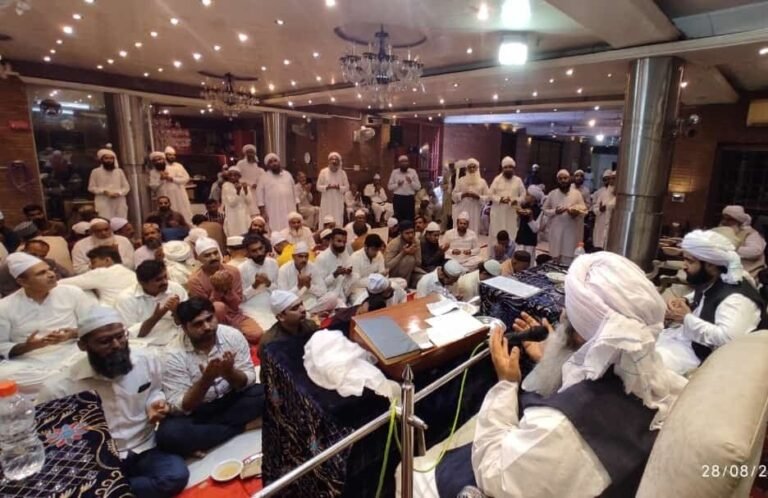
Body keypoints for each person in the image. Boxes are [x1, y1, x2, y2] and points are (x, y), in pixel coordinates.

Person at [419, 252, 686, 498]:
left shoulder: (558, 425)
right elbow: (592, 370)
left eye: (568, 309)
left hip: (495, 478)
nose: (561, 314)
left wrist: (506, 385)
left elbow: (493, 473)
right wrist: (551, 360)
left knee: (414, 473)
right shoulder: (659, 378)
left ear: (582, 333)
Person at [36, 306, 189, 497]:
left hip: (144, 446)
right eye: (104, 341)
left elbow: (155, 390)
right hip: (99, 459)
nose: (117, 344)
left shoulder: (146, 360)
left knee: (175, 476)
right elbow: (47, 437)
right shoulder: (60, 387)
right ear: (83, 346)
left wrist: (155, 403)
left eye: (121, 336)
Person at [156, 297, 264, 457]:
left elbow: (248, 380)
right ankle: (243, 426)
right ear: (185, 328)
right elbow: (181, 406)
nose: (207, 327)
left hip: (231, 399)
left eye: (209, 319)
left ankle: (211, 435)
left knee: (269, 392)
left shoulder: (231, 335)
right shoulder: (171, 355)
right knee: (169, 435)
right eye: (198, 324)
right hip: (198, 412)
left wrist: (229, 373)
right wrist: (206, 380)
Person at [657, 230, 767, 375]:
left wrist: (686, 318)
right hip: (683, 338)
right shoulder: (717, 277)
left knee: (646, 365)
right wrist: (685, 300)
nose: (684, 266)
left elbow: (728, 339)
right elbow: (707, 293)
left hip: (701, 357)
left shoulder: (736, 300)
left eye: (690, 261)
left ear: (710, 265)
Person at [0, 253, 94, 359]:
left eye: (50, 269)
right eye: (41, 273)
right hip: (28, 361)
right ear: (22, 282)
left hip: (74, 353)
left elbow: (94, 325)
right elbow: (1, 345)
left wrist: (73, 334)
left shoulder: (72, 292)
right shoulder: (4, 307)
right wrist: (28, 347)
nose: (51, 274)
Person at [187, 237, 263, 344]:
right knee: (218, 307)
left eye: (215, 253)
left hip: (234, 315)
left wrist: (228, 289)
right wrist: (216, 290)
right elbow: (203, 310)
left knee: (257, 334)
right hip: (210, 319)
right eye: (207, 255)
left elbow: (237, 304)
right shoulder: (194, 280)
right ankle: (229, 337)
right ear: (198, 258)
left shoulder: (233, 271)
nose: (213, 257)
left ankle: (231, 337)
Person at [115, 260, 187, 346]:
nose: (165, 282)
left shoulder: (175, 288)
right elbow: (129, 335)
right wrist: (156, 317)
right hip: (145, 345)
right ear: (142, 283)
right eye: (158, 280)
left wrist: (176, 312)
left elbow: (188, 322)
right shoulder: (126, 299)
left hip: (177, 338)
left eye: (165, 276)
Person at [59, 246, 137, 307]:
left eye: (94, 262)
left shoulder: (102, 272)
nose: (91, 266)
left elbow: (60, 284)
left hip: (112, 317)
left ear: (107, 260)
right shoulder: (131, 273)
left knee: (82, 292)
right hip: (135, 313)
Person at [542, 170, 587, 265]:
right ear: (557, 181)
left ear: (569, 179)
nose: (563, 180)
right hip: (556, 232)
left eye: (565, 178)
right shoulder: (552, 194)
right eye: (560, 179)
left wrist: (575, 211)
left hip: (571, 233)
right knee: (555, 259)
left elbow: (584, 209)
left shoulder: (577, 194)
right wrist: (555, 211)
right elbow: (545, 210)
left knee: (569, 260)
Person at [260, 290, 318, 361]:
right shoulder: (270, 342)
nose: (303, 309)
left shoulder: (310, 326)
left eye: (301, 304)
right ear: (281, 317)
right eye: (295, 308)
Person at [0, 239, 70, 297]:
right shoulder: (7, 269)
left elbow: (70, 276)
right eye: (33, 254)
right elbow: (9, 294)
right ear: (23, 251)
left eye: (42, 256)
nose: (37, 258)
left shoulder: (50, 263)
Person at [237, 233, 279, 329]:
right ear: (247, 252)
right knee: (266, 328)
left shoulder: (273, 263)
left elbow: (279, 290)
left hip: (272, 301)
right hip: (251, 306)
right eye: (254, 251)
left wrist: (268, 283)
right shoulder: (241, 269)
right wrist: (255, 286)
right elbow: (241, 298)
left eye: (261, 248)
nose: (259, 253)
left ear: (264, 247)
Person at [277, 242, 332, 312]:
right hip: (294, 305)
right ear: (293, 257)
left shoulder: (312, 267)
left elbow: (323, 291)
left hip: (312, 302)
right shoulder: (283, 270)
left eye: (306, 256)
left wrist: (309, 286)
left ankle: (308, 313)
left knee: (332, 297)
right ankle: (308, 314)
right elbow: (283, 298)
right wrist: (298, 287)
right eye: (300, 256)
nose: (304, 259)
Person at [149, 149, 193, 225]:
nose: (158, 162)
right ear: (153, 162)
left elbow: (186, 178)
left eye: (160, 159)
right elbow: (153, 186)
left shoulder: (175, 167)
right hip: (163, 197)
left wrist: (172, 179)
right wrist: (161, 179)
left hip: (178, 196)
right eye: (155, 160)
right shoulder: (153, 172)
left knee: (183, 212)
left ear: (164, 159)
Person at [720, 205, 767, 277]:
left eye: (729, 219)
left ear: (738, 221)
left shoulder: (750, 233)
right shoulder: (723, 231)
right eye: (724, 218)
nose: (725, 222)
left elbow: (755, 251)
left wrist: (731, 249)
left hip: (746, 272)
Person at [256, 153, 299, 232]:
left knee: (290, 228)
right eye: (270, 162)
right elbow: (259, 197)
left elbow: (295, 192)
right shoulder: (263, 177)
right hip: (273, 210)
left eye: (275, 161)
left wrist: (297, 209)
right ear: (267, 165)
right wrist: (263, 212)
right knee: (275, 230)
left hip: (289, 208)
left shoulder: (288, 175)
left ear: (279, 162)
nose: (274, 163)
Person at [488, 156, 526, 244]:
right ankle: (494, 255)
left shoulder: (518, 180)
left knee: (511, 233)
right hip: (498, 212)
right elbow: (490, 194)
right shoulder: (497, 180)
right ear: (502, 168)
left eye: (510, 167)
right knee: (496, 233)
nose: (508, 169)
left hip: (511, 212)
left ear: (513, 168)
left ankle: (510, 254)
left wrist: (516, 200)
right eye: (506, 167)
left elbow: (523, 195)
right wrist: (500, 199)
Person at [88, 149, 130, 219]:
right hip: (103, 201)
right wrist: (104, 191)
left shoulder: (119, 171)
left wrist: (118, 193)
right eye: (106, 158)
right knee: (105, 220)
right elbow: (91, 188)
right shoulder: (95, 172)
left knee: (120, 221)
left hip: (119, 201)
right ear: (101, 160)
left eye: (111, 158)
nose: (109, 160)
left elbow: (126, 187)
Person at [452, 158, 490, 234]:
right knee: (461, 228)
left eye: (474, 167)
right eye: (470, 167)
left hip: (475, 209)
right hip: (462, 208)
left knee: (473, 230)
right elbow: (453, 195)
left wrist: (478, 197)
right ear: (467, 169)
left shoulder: (482, 182)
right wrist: (463, 194)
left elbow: (488, 197)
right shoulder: (461, 180)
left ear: (477, 168)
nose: (472, 169)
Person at [315, 229, 353, 304]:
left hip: (343, 289)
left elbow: (349, 264)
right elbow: (321, 285)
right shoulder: (321, 258)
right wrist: (335, 274)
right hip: (329, 293)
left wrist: (349, 270)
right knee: (335, 299)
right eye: (339, 241)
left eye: (344, 242)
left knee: (356, 276)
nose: (342, 244)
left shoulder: (343, 252)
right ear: (331, 240)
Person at [349, 234, 388, 305]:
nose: (376, 253)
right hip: (359, 289)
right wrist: (376, 279)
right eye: (373, 250)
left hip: (378, 287)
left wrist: (382, 277)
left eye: (377, 250)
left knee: (397, 285)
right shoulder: (355, 257)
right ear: (366, 247)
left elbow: (382, 275)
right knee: (364, 300)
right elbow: (356, 282)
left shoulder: (379, 254)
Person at [317, 152, 350, 227]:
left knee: (337, 218)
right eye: (332, 159)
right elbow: (318, 187)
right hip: (326, 201)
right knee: (325, 218)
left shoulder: (342, 173)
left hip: (338, 201)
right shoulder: (323, 172)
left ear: (339, 161)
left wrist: (339, 188)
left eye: (336, 159)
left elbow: (347, 187)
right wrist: (326, 187)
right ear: (329, 161)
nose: (334, 161)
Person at [385, 220, 421, 286]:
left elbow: (419, 263)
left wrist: (414, 253)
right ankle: (404, 286)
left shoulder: (416, 241)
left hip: (412, 271)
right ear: (401, 233)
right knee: (409, 259)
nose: (410, 235)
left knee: (423, 278)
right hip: (394, 274)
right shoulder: (394, 243)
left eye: (412, 232)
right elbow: (387, 266)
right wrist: (403, 253)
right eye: (407, 233)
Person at [388, 155, 421, 223]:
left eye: (406, 162)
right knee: (398, 219)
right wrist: (397, 184)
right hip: (398, 199)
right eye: (402, 162)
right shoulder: (395, 172)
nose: (404, 164)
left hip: (409, 199)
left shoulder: (413, 172)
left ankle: (409, 232)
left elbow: (418, 187)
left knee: (409, 219)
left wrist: (411, 182)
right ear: (399, 163)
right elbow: (389, 187)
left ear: (408, 163)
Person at [221, 166, 253, 237]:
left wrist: (245, 190)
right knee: (234, 237)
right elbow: (232, 203)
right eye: (230, 175)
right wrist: (238, 192)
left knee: (245, 235)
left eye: (235, 175)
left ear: (239, 176)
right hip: (232, 216)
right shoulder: (226, 186)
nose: (232, 177)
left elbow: (249, 202)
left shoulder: (244, 185)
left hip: (244, 216)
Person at [516, 187, 544, 261]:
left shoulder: (539, 211)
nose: (526, 196)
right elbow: (518, 225)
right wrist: (519, 215)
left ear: (534, 198)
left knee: (527, 262)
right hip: (520, 240)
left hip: (529, 243)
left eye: (528, 194)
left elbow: (535, 229)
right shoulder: (523, 207)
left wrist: (530, 217)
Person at [234, 144, 263, 215]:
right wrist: (246, 184)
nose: (250, 154)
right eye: (248, 152)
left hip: (255, 190)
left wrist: (257, 183)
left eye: (252, 152)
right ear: (245, 153)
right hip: (244, 188)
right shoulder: (240, 163)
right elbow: (236, 175)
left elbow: (258, 176)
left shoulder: (255, 164)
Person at [591, 170, 616, 249]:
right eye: (610, 178)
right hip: (601, 223)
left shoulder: (620, 193)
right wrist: (600, 209)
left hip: (613, 225)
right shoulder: (602, 193)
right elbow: (595, 208)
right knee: (600, 245)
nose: (610, 181)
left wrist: (608, 206)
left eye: (613, 178)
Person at [440, 162, 456, 230]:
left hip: (456, 196)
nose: (452, 167)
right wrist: (448, 186)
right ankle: (443, 228)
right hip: (447, 196)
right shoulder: (446, 174)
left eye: (453, 165)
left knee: (454, 213)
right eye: (450, 166)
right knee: (445, 213)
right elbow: (442, 185)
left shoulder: (459, 174)